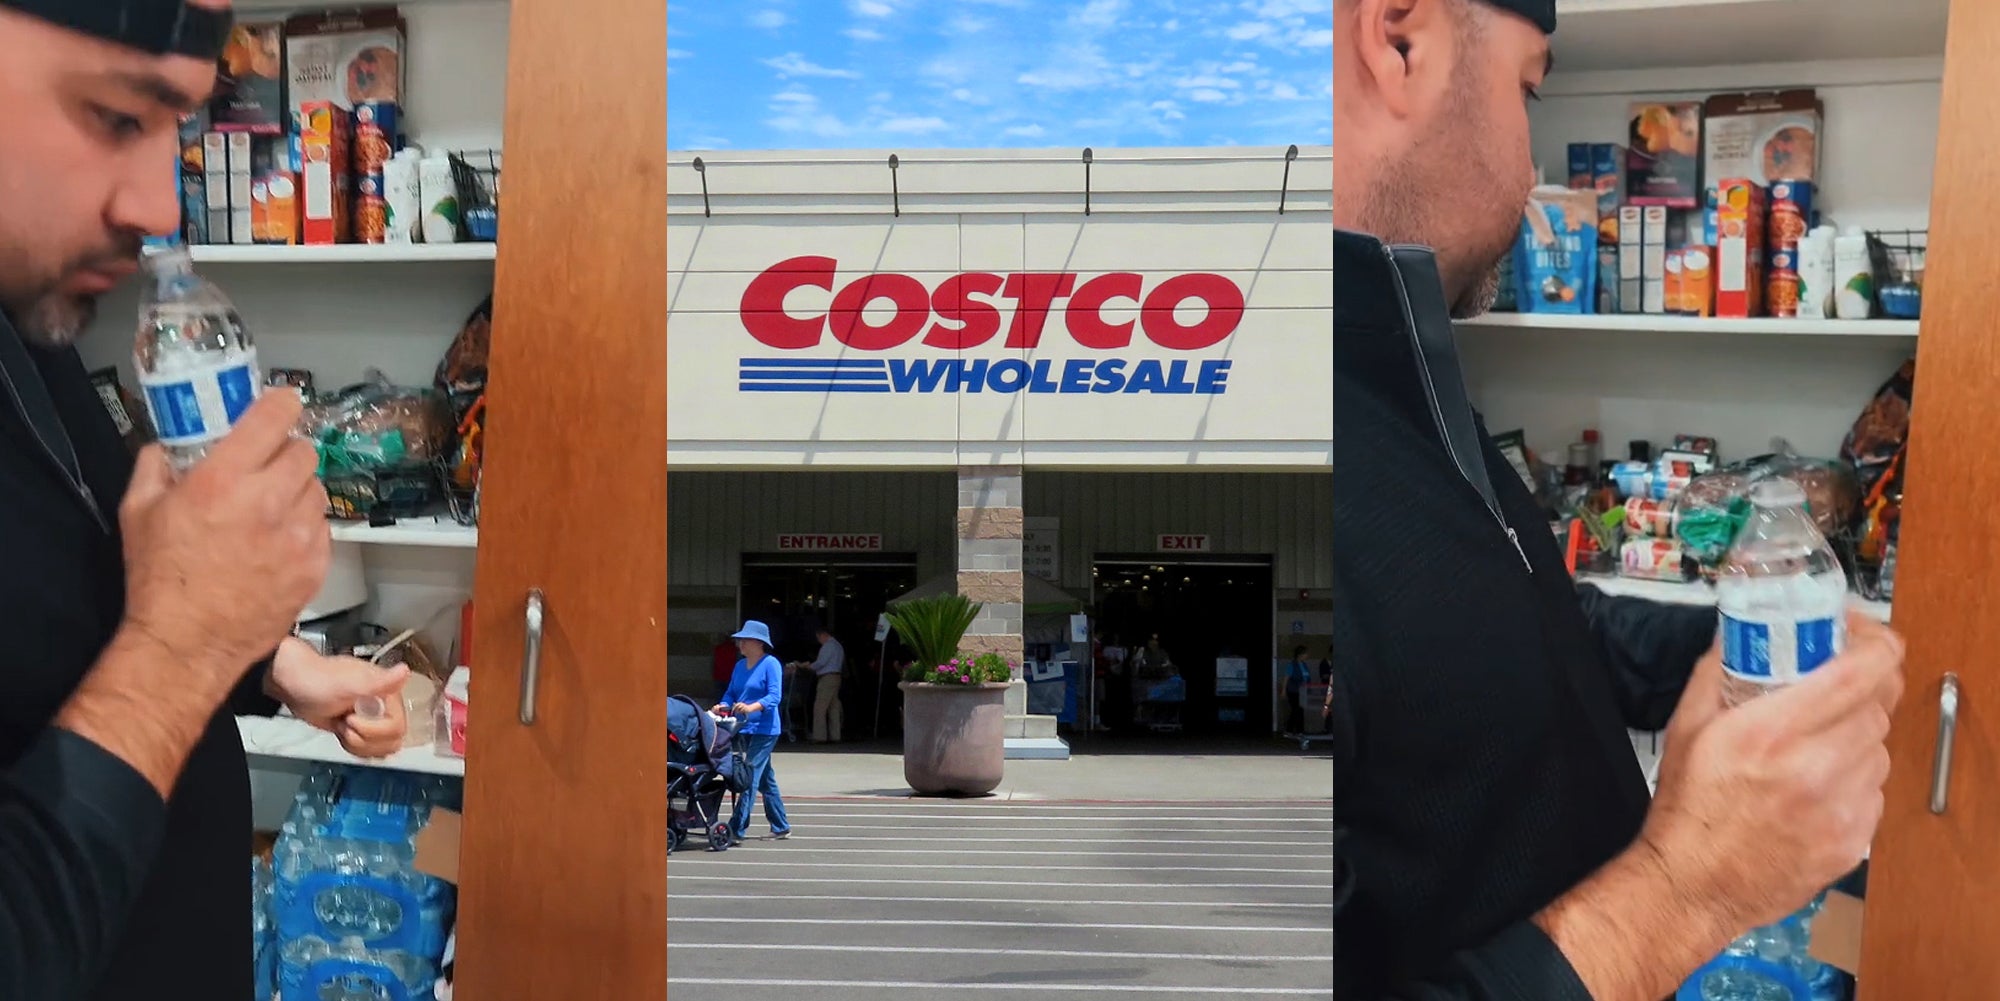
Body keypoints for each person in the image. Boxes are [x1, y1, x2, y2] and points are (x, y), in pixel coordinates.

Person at [1332, 1, 1906, 999]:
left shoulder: (1392, 359)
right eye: (1526, 89)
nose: (1527, 179)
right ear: (1396, 39)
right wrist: (1683, 887)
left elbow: (1508, 625)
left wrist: (1746, 652)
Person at [0, 2, 413, 996]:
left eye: (177, 129)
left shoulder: (28, 317)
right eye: (114, 117)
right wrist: (187, 646)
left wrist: (269, 660)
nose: (156, 206)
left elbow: (78, 584)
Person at [716, 620, 790, 843]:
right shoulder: (740, 666)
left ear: (759, 643)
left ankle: (736, 828)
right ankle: (781, 825)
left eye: (745, 640)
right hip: (744, 728)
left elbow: (774, 697)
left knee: (748, 776)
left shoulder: (771, 664)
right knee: (765, 778)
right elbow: (731, 693)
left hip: (765, 730)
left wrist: (751, 707)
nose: (741, 643)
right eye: (740, 640)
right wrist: (723, 705)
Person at [807, 625, 845, 744]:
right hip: (836, 676)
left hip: (827, 677)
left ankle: (820, 736)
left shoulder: (828, 646)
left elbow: (821, 662)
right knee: (833, 707)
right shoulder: (838, 646)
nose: (819, 640)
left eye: (819, 637)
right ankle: (835, 735)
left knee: (820, 707)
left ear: (824, 635)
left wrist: (809, 666)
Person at [1282, 645, 1313, 736]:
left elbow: (1307, 677)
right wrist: (1283, 690)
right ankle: (1296, 730)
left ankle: (1295, 730)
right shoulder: (1292, 665)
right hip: (1293, 691)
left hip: (1303, 691)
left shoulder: (1304, 665)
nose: (1307, 655)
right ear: (1300, 654)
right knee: (1296, 710)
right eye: (1305, 654)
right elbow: (1286, 678)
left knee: (1299, 710)